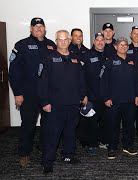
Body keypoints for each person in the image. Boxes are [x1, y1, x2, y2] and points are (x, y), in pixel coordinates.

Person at [8, 17, 56, 167]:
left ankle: (43, 147)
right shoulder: (22, 45)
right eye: (36, 27)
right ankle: (24, 153)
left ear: (45, 29)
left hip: (48, 94)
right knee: (28, 124)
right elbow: (14, 71)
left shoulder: (51, 45)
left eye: (41, 26)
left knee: (48, 124)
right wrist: (17, 93)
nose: (39, 29)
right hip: (29, 94)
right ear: (30, 29)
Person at [38, 30, 87, 174]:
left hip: (73, 103)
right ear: (56, 41)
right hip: (55, 104)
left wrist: (83, 95)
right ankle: (47, 162)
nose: (63, 42)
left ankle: (68, 155)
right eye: (60, 40)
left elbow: (81, 79)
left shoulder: (76, 58)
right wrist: (45, 102)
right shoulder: (48, 58)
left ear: (70, 40)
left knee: (70, 132)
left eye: (66, 39)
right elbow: (42, 82)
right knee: (52, 134)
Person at [100, 37, 138, 159]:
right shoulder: (109, 62)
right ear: (115, 47)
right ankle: (112, 147)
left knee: (129, 125)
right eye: (121, 45)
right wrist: (106, 98)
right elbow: (103, 82)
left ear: (128, 47)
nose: (123, 47)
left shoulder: (132, 61)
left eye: (125, 45)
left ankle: (128, 146)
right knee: (113, 125)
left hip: (130, 100)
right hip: (114, 101)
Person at [80, 32, 107, 155]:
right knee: (91, 121)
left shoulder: (109, 54)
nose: (100, 42)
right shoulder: (86, 56)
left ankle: (102, 141)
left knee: (105, 121)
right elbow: (81, 77)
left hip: (106, 95)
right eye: (98, 40)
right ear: (94, 42)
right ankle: (92, 145)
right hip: (91, 95)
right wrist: (83, 94)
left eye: (102, 40)